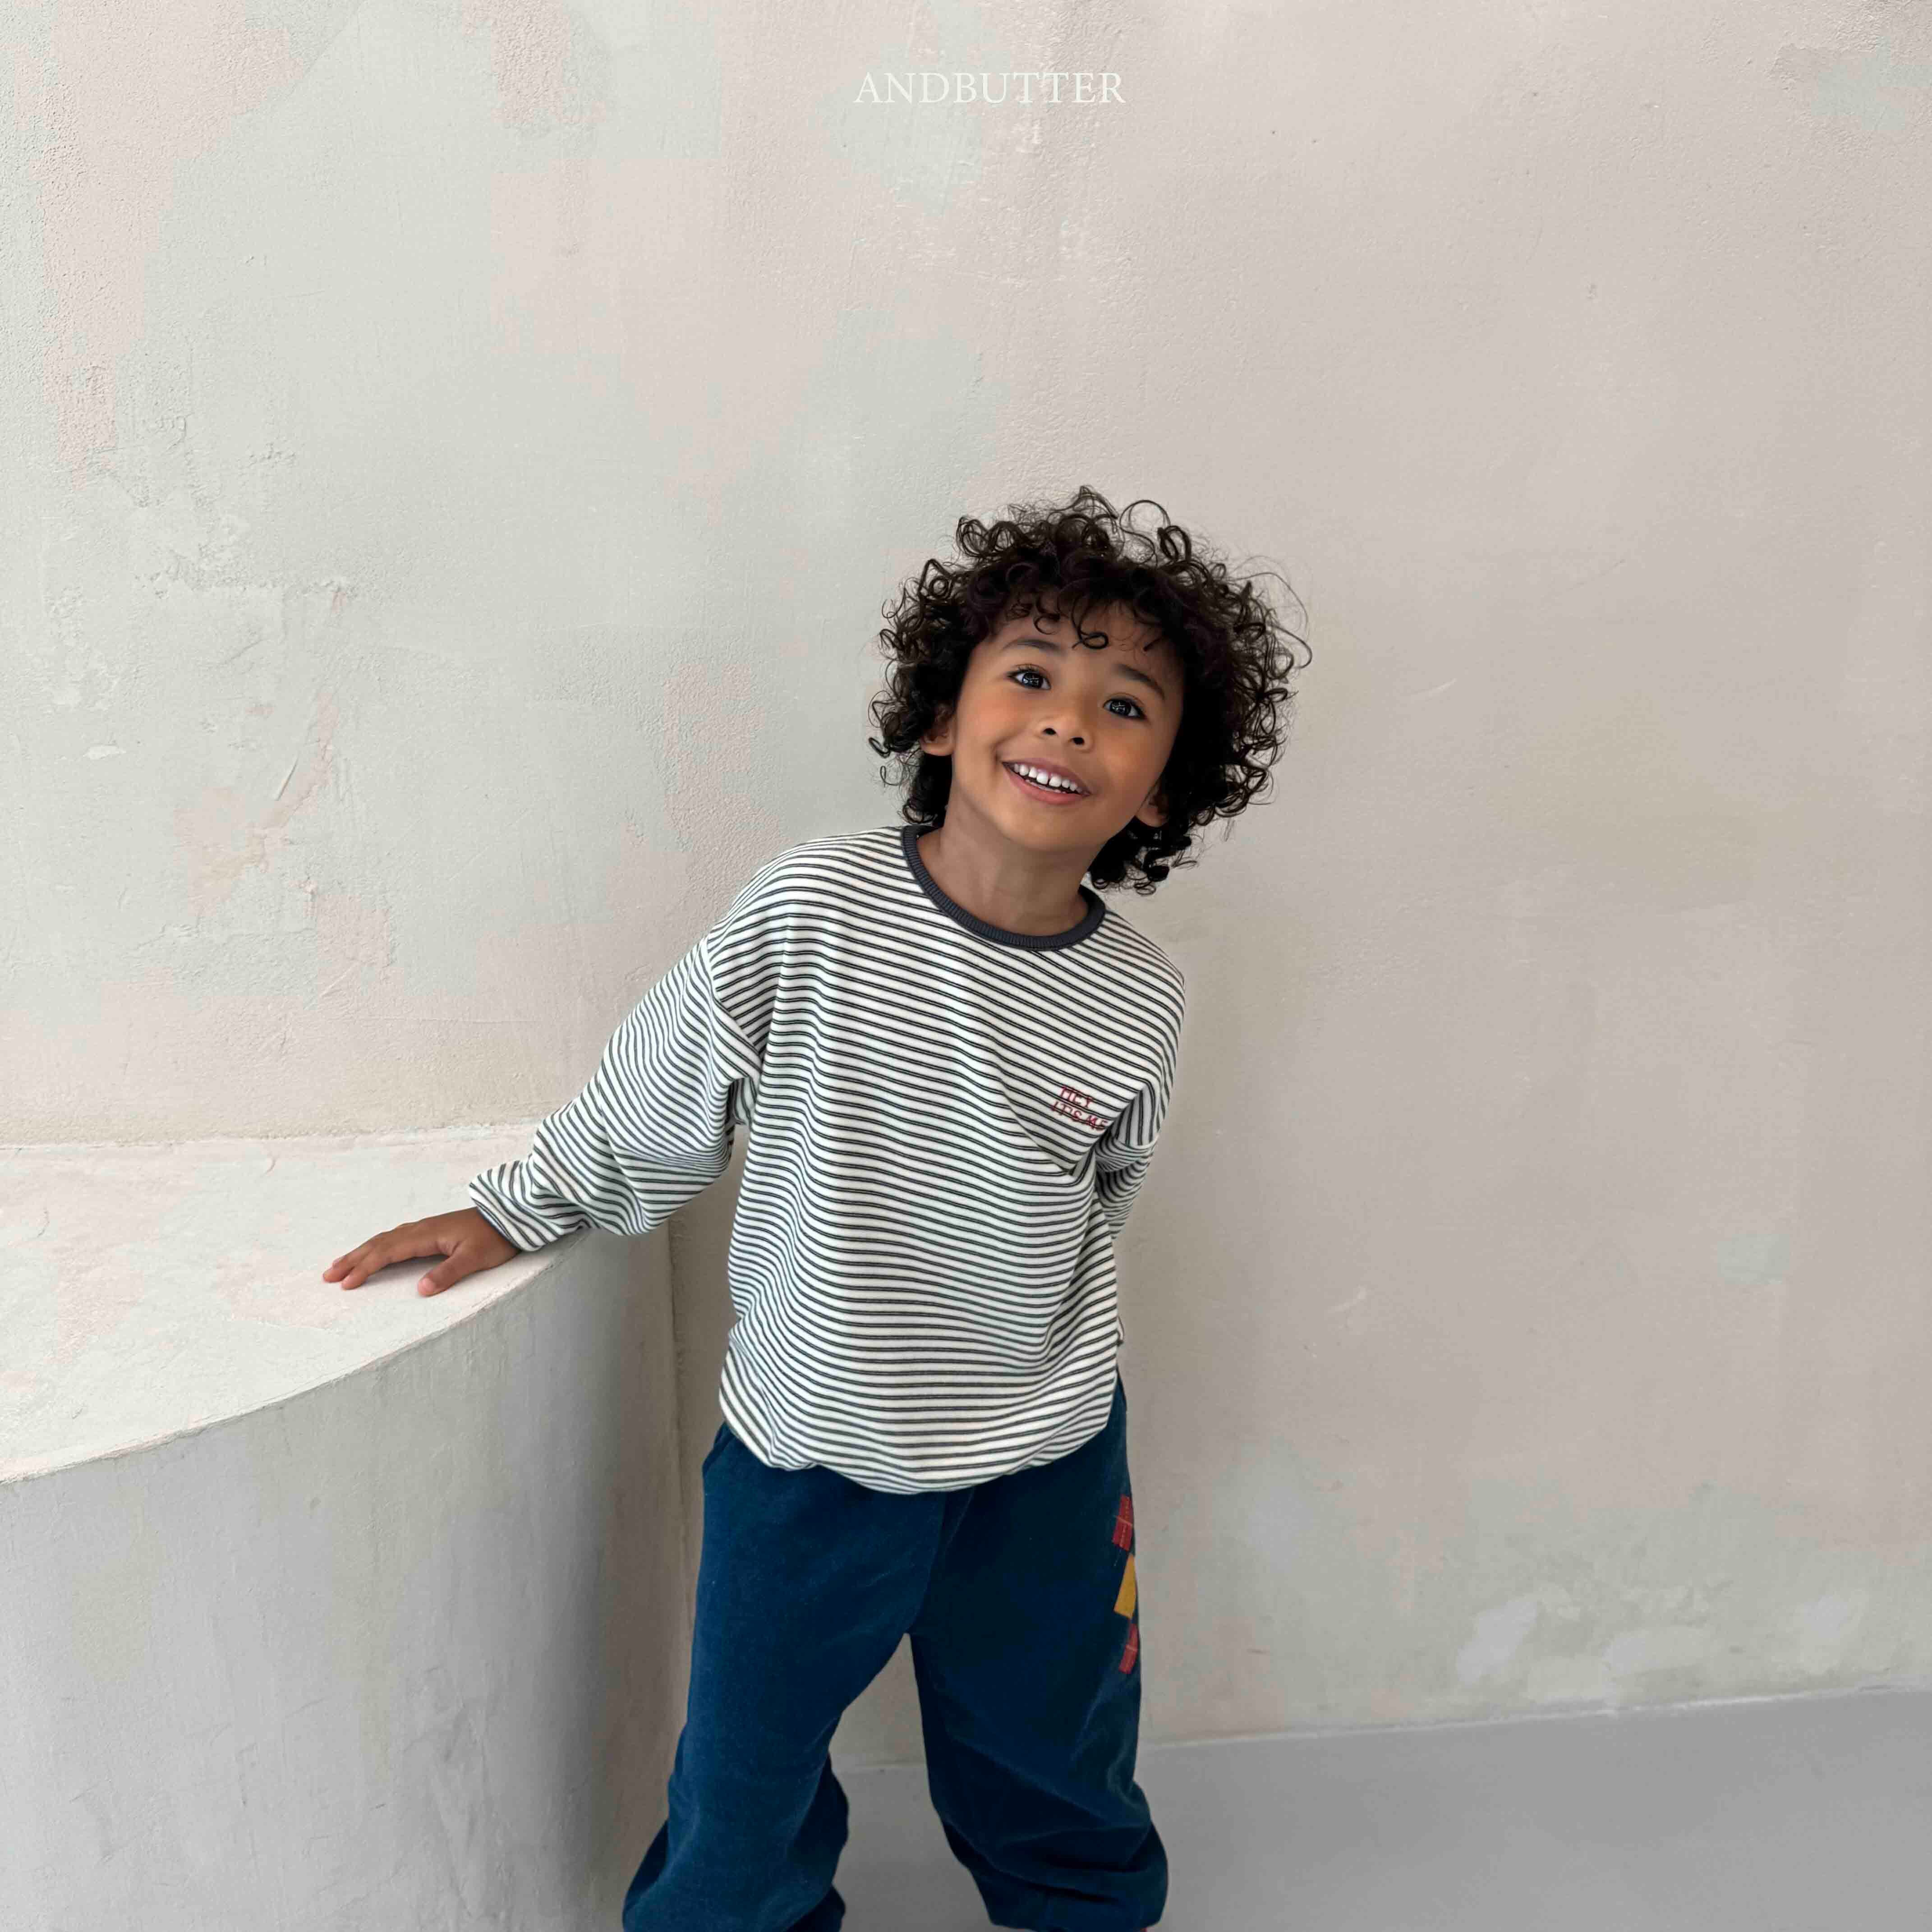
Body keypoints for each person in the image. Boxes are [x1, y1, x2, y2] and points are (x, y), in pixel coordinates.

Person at [322, 486, 1305, 1931]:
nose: (1066, 720)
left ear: (1161, 788)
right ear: (940, 717)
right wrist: (524, 1206)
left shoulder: (1139, 997)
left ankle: (1081, 1909)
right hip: (814, 1452)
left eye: (1123, 705)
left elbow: (1105, 1199)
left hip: (1042, 1459)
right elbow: (666, 1081)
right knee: (746, 1778)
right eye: (1030, 675)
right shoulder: (815, 909)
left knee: (1057, 1757)